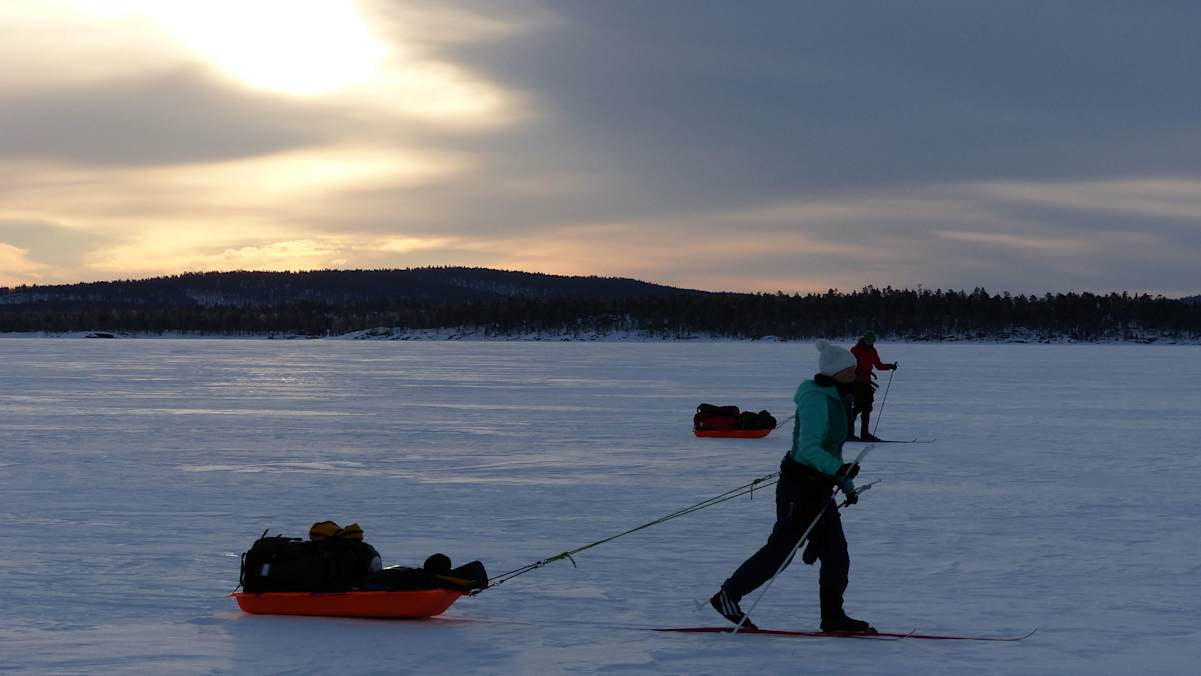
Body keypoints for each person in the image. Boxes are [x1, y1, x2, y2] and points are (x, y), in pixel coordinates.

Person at [709, 339, 874, 633]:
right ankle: (728, 596)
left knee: (836, 553)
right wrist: (839, 469)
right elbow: (809, 449)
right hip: (799, 488)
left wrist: (845, 483)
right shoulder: (816, 399)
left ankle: (833, 618)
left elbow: (832, 449)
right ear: (834, 373)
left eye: (854, 370)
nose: (854, 374)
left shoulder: (838, 396)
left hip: (820, 488)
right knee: (781, 553)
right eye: (849, 371)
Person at [848, 331, 897, 442]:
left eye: (872, 340)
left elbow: (878, 365)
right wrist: (856, 374)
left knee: (867, 408)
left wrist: (890, 366)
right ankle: (848, 433)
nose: (870, 342)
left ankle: (865, 434)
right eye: (868, 340)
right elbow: (849, 366)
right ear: (864, 339)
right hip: (857, 383)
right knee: (857, 408)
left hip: (867, 383)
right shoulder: (855, 350)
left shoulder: (872, 351)